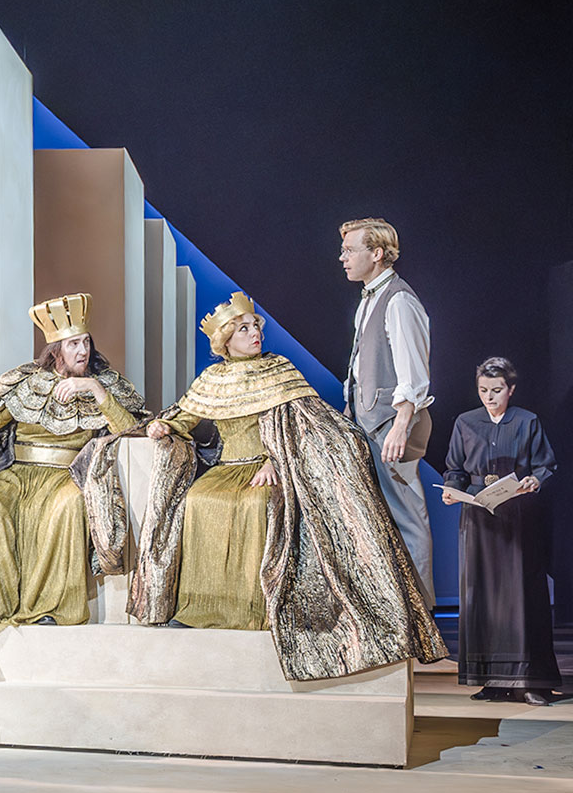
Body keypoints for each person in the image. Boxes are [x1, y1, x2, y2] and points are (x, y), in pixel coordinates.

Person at [132, 291, 447, 680]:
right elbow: (186, 415)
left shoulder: (278, 369)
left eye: (255, 326)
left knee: (255, 504)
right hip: (228, 466)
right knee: (197, 500)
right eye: (243, 329)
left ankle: (258, 608)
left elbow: (309, 426)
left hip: (270, 468)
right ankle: (202, 607)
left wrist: (276, 461)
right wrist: (165, 426)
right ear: (226, 340)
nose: (254, 334)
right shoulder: (212, 379)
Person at [0, 293, 148, 678]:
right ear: (56, 350)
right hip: (20, 474)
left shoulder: (106, 383)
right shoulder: (28, 382)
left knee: (68, 507)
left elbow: (134, 429)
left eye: (87, 342)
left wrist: (96, 392)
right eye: (74, 344)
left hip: (67, 475)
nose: (83, 349)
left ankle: (49, 609)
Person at [443, 357, 561, 705]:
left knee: (520, 596)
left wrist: (534, 479)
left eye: (496, 391)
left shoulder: (527, 421)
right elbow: (455, 468)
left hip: (517, 516)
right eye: (483, 391)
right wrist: (451, 489)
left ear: (511, 389)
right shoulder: (465, 422)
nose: (489, 398)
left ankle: (530, 681)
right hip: (479, 518)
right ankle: (492, 680)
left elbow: (545, 464)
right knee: (483, 597)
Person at [341, 217, 436, 608]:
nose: (342, 257)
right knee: (382, 519)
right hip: (369, 423)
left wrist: (400, 425)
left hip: (390, 426)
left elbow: (414, 373)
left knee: (408, 519)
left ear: (376, 254)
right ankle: (393, 613)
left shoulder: (398, 300)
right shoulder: (369, 299)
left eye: (350, 250)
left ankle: (422, 619)